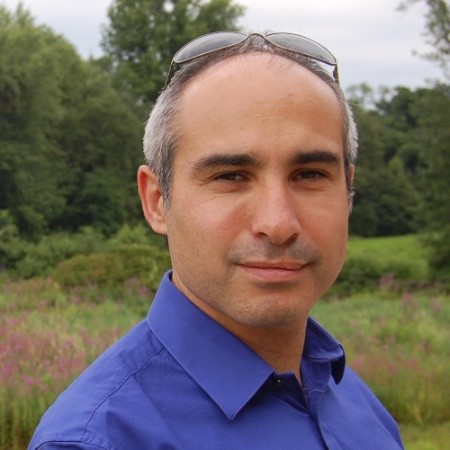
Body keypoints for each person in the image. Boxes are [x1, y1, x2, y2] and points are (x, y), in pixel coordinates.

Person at [29, 32, 404, 449]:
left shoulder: (357, 404)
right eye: (230, 177)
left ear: (348, 190)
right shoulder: (97, 440)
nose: (278, 223)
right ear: (157, 201)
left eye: (310, 174)